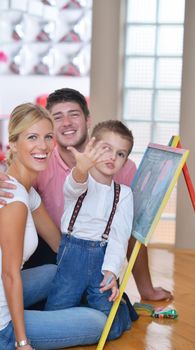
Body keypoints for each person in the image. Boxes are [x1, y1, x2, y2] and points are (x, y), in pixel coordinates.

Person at [0, 88, 172, 301]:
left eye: (73, 114)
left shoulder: (121, 167)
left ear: (88, 119)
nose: (67, 123)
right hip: (44, 252)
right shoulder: (41, 160)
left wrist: (146, 289)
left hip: (96, 254)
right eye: (57, 117)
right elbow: (12, 174)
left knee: (114, 306)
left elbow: (131, 233)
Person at [0, 103, 110, 350]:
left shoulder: (26, 191)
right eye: (32, 137)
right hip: (2, 322)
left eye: (48, 137)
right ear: (13, 144)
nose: (42, 146)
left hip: (5, 287)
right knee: (98, 322)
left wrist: (104, 272)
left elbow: (60, 245)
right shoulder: (13, 199)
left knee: (54, 271)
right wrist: (21, 341)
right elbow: (9, 274)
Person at [45, 120, 134, 339]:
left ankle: (119, 310)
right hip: (71, 256)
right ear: (91, 149)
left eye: (121, 154)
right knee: (55, 312)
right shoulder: (80, 180)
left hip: (101, 261)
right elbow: (75, 185)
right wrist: (81, 168)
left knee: (111, 328)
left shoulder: (124, 194)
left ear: (125, 161)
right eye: (106, 149)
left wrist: (111, 271)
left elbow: (119, 238)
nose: (113, 157)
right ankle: (80, 316)